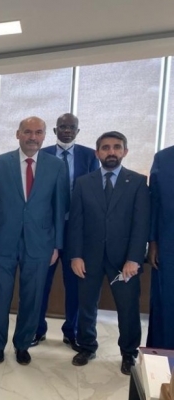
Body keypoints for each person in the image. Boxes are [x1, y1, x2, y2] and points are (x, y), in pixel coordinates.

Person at [0, 116, 68, 366]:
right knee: (0, 297)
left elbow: (59, 208)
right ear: (18, 134)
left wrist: (57, 245)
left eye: (38, 132)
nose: (33, 137)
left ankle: (22, 344)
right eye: (28, 132)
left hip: (41, 243)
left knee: (32, 297)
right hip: (3, 240)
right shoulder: (0, 163)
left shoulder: (56, 166)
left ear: (44, 136)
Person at [69, 131, 149, 375]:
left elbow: (141, 224)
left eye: (116, 147)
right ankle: (87, 346)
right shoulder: (83, 182)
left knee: (128, 308)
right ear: (97, 153)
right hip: (88, 257)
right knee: (86, 305)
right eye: (105, 148)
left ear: (125, 151)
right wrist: (75, 255)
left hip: (124, 260)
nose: (111, 152)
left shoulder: (137, 182)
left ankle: (128, 353)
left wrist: (134, 258)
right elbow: (76, 222)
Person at [32, 113, 99, 348]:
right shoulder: (41, 154)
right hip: (47, 229)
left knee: (75, 284)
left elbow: (94, 192)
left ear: (78, 131)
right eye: (62, 127)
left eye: (72, 127)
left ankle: (72, 331)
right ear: (55, 130)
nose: (67, 130)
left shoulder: (90, 156)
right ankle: (36, 329)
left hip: (76, 230)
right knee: (41, 282)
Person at [147, 144, 174, 350]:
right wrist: (153, 241)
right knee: (166, 302)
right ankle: (162, 355)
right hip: (168, 242)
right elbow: (154, 203)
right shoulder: (163, 158)